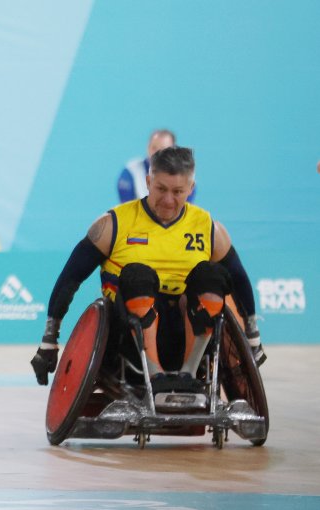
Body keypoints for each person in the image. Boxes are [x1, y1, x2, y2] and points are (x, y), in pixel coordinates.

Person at [32, 146, 266, 393]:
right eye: (161, 189)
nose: (167, 200)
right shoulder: (114, 224)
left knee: (211, 275)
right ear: (148, 181)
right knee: (137, 274)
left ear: (191, 188)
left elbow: (239, 279)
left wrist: (253, 337)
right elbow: (70, 278)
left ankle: (187, 375)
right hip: (127, 339)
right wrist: (49, 340)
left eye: (177, 192)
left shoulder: (207, 227)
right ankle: (154, 375)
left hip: (187, 332)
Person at [117, 129, 195, 203]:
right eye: (154, 147)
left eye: (163, 149)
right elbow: (126, 210)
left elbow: (185, 211)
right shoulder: (130, 172)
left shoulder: (185, 174)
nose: (157, 153)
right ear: (148, 147)